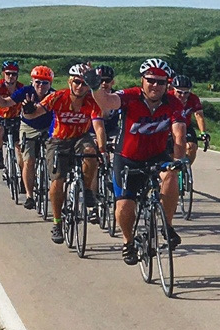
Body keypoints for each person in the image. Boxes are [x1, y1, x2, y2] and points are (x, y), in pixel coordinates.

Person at [91, 58, 188, 265]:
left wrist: (178, 159)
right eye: (151, 80)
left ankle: (167, 226)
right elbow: (106, 102)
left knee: (171, 174)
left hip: (157, 155)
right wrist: (93, 85)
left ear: (167, 84)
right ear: (142, 80)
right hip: (127, 158)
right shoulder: (130, 97)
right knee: (125, 205)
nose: (155, 85)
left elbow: (179, 134)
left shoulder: (173, 103)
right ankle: (127, 242)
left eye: (161, 82)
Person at [41, 64, 105, 243]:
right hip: (58, 140)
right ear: (70, 81)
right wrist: (29, 110)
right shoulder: (57, 97)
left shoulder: (92, 101)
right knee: (58, 180)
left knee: (91, 152)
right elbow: (37, 111)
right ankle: (57, 223)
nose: (80, 87)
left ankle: (86, 190)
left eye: (84, 83)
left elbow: (99, 127)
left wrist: (103, 150)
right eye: (77, 82)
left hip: (80, 137)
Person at [15, 67, 57, 208]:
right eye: (38, 82)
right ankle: (29, 196)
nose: (41, 85)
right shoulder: (26, 92)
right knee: (29, 161)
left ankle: (54, 187)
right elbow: (7, 102)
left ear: (50, 84)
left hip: (48, 127)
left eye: (45, 83)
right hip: (29, 126)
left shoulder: (54, 95)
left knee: (54, 159)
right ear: (32, 81)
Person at [0, 61, 31, 170]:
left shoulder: (21, 87)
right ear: (3, 74)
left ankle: (23, 176)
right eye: (8, 73)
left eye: (14, 74)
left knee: (20, 148)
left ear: (17, 75)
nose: (11, 76)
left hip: (16, 116)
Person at [171, 75, 208, 166]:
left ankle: (185, 168)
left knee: (192, 147)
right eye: (179, 92)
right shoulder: (168, 98)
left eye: (186, 92)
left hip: (186, 126)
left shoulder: (193, 99)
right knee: (171, 152)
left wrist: (203, 132)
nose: (183, 95)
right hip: (169, 127)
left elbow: (199, 116)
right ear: (173, 89)